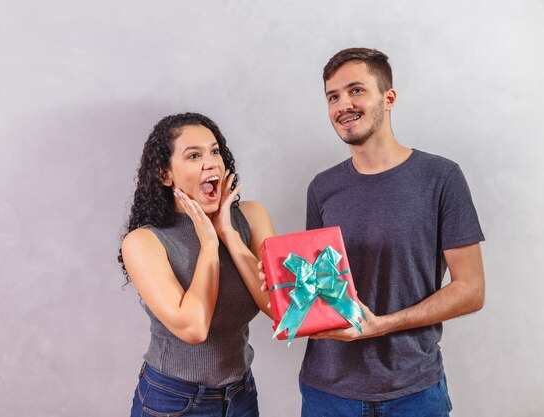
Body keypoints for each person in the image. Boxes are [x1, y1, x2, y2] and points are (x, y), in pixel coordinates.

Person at [280, 48, 485, 416]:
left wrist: (381, 325)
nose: (343, 104)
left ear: (388, 98)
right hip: (327, 392)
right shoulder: (322, 187)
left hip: (413, 391)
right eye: (333, 96)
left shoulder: (441, 178)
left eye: (356, 90)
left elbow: (471, 291)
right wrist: (287, 282)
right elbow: (325, 286)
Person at [119, 112, 273, 417]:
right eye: (194, 155)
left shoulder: (252, 218)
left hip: (240, 396)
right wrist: (209, 243)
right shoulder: (143, 241)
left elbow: (276, 305)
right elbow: (194, 327)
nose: (211, 162)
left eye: (215, 151)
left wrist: (229, 233)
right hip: (173, 401)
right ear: (165, 175)